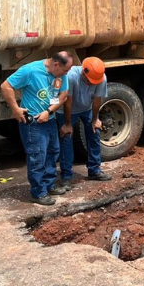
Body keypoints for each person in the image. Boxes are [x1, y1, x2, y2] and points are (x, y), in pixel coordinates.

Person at [0, 51, 73, 205]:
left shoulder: (61, 75)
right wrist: (15, 109)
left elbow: (63, 95)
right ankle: (38, 193)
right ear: (56, 64)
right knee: (37, 157)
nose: (67, 74)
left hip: (50, 120)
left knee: (53, 153)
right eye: (65, 70)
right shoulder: (30, 70)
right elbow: (6, 86)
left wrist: (49, 111)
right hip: (34, 123)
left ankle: (49, 185)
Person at [56, 57, 112, 188]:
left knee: (94, 132)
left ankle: (94, 170)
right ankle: (66, 177)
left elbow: (97, 100)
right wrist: (68, 124)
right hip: (67, 110)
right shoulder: (70, 76)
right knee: (66, 137)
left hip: (86, 109)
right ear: (83, 72)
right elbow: (67, 102)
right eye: (88, 81)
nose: (91, 84)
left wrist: (95, 120)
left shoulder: (101, 78)